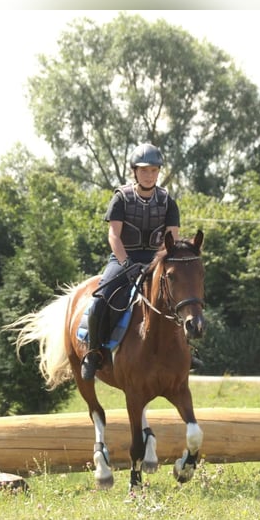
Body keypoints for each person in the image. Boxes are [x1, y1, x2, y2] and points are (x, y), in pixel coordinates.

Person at [80, 143, 181, 381]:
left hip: (155, 259)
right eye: (144, 170)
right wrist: (126, 264)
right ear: (134, 171)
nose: (149, 175)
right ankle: (94, 353)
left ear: (159, 172)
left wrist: (159, 262)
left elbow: (172, 238)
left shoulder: (168, 202)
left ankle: (186, 351)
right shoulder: (121, 199)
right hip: (124, 258)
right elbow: (114, 235)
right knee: (100, 301)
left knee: (180, 298)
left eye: (154, 170)